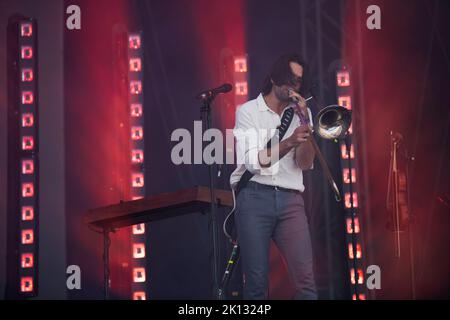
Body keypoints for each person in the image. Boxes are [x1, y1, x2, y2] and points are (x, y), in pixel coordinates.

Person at [230, 53, 317, 299]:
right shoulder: (248, 111)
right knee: (256, 285)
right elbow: (254, 162)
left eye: (298, 81)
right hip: (255, 198)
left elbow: (305, 162)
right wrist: (289, 141)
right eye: (289, 78)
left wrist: (304, 119)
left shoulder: (301, 113)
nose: (293, 85)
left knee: (306, 284)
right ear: (274, 76)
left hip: (291, 202)